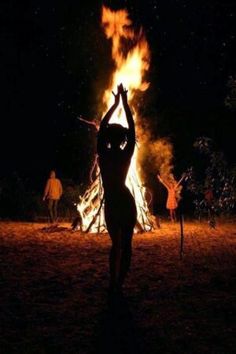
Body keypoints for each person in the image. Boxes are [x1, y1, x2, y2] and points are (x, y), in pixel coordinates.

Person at [97, 83, 137, 295]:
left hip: (113, 202)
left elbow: (102, 128)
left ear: (107, 139)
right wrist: (125, 103)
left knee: (116, 245)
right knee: (127, 245)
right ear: (122, 140)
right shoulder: (125, 154)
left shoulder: (103, 155)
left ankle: (114, 282)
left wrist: (114, 105)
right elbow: (132, 131)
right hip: (125, 201)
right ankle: (118, 283)